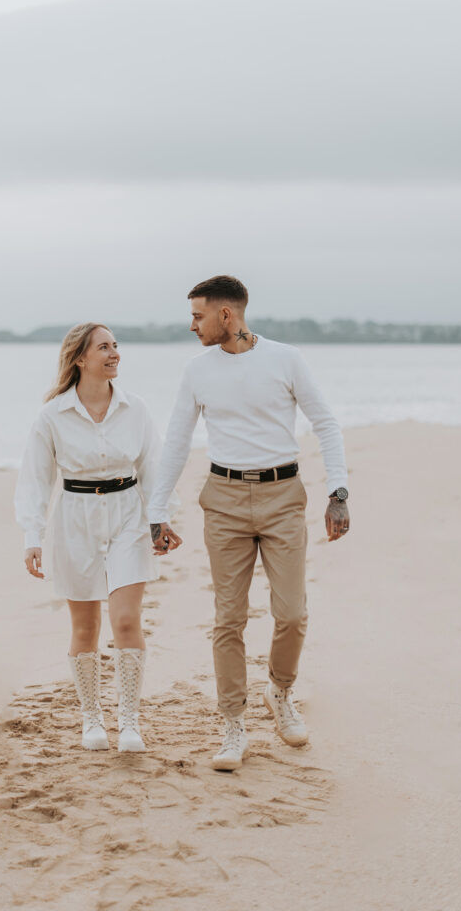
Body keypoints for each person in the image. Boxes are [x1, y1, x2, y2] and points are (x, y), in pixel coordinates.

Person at [148, 276, 350, 771]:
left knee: (292, 613)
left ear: (225, 315)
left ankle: (279, 692)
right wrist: (157, 510)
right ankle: (232, 722)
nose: (191, 325)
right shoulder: (197, 371)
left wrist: (338, 492)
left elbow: (325, 421)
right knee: (228, 618)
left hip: (283, 496)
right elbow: (176, 442)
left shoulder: (286, 359)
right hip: (224, 499)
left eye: (198, 316)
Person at [15, 323, 177, 754]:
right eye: (104, 347)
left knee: (126, 620)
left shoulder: (135, 409)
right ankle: (92, 718)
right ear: (80, 359)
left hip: (128, 515)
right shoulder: (52, 415)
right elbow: (35, 480)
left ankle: (129, 722)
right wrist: (33, 535)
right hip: (75, 521)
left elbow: (154, 467)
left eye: (116, 346)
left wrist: (160, 520)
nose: (115, 354)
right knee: (85, 626)